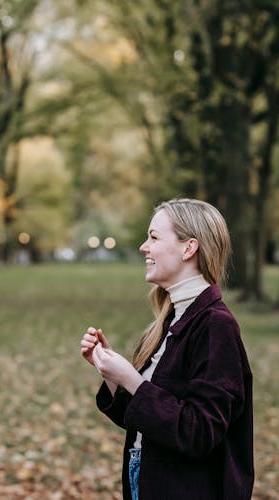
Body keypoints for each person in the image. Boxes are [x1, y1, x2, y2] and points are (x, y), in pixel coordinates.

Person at [80, 198, 253, 500]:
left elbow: (200, 432)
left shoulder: (215, 325)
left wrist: (132, 380)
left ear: (189, 248)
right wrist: (112, 375)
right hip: (147, 479)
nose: (143, 247)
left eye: (154, 237)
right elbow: (149, 419)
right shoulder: (175, 316)